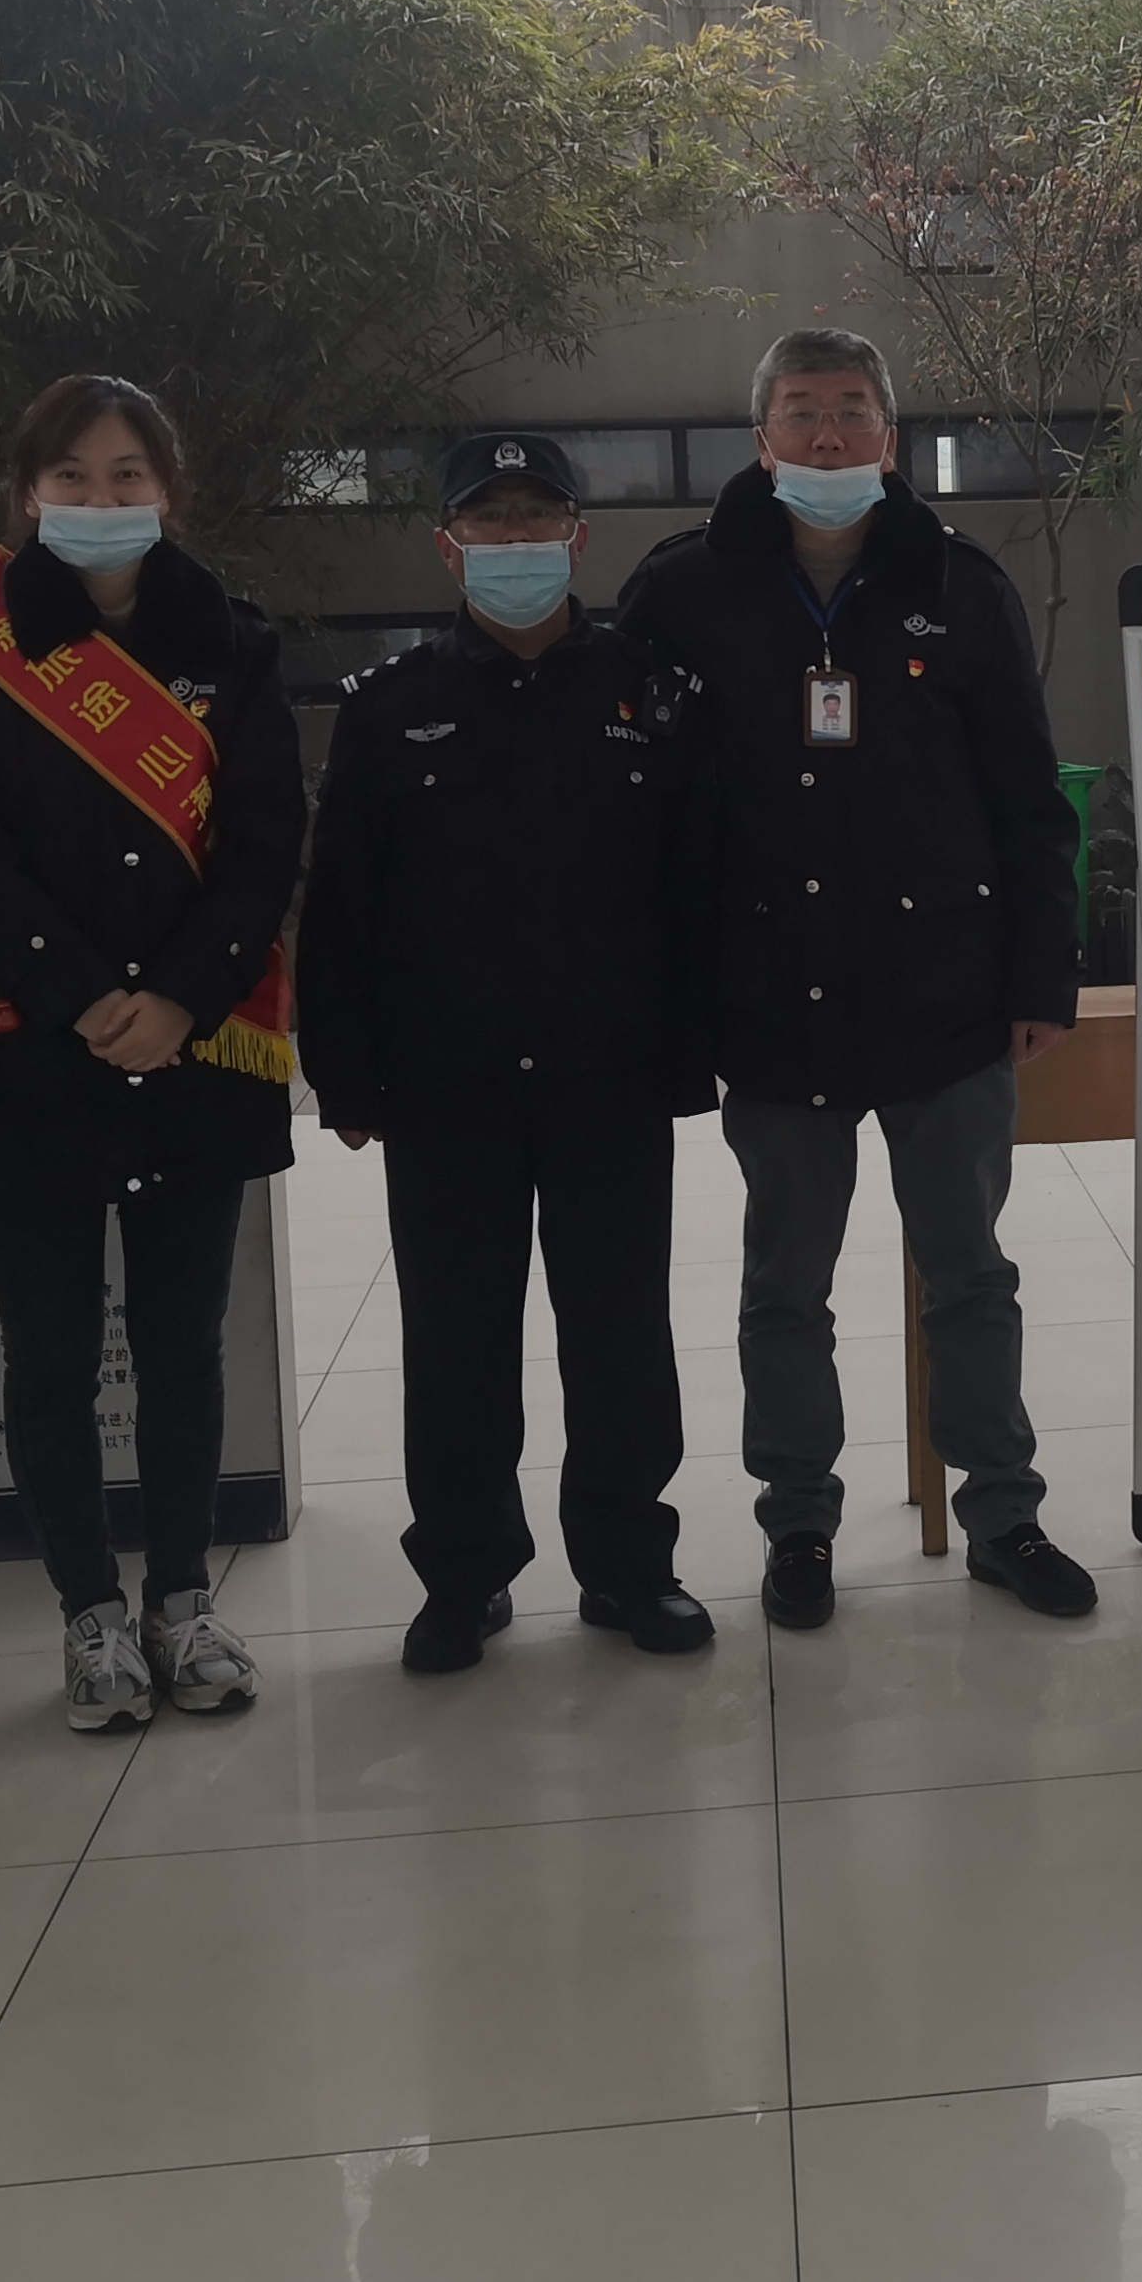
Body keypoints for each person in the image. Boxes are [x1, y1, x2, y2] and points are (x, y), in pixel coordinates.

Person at [615, 329, 1097, 1627]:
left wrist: (1040, 976)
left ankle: (1003, 1513)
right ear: (759, 436)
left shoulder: (959, 587)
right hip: (769, 1002)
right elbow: (638, 807)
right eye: (799, 411)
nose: (824, 435)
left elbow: (1028, 800)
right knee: (786, 1286)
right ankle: (799, 1523)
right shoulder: (682, 593)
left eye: (848, 411)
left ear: (889, 436)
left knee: (969, 1273)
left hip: (946, 997)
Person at [0, 376, 305, 1729]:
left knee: (184, 1345)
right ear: (27, 494)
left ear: (169, 491)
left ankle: (182, 1600)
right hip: (30, 1051)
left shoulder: (234, 643)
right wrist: (81, 993)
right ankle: (89, 1615)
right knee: (52, 1356)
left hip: (196, 1047)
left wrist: (183, 995)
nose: (99, 499)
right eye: (71, 477)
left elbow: (265, 839)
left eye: (127, 474)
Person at [296, 431, 714, 1675]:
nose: (515, 541)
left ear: (577, 540)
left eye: (538, 518)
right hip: (446, 1084)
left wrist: (692, 1054)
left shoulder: (651, 691)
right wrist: (343, 1074)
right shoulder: (390, 706)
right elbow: (341, 906)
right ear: (449, 547)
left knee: (619, 1330)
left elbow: (696, 886)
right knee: (456, 1338)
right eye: (490, 521)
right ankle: (464, 1575)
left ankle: (629, 1566)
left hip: (608, 1075)